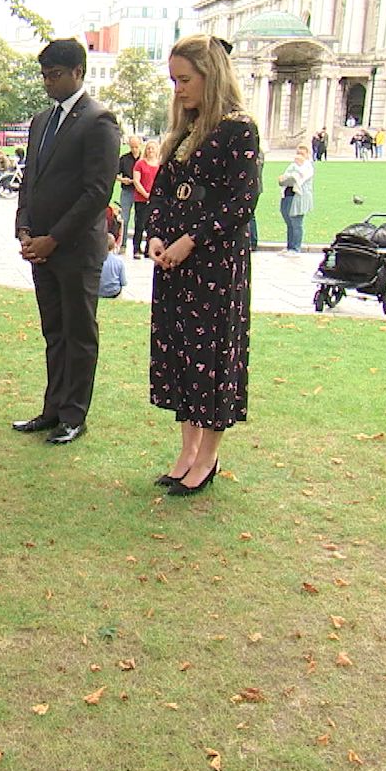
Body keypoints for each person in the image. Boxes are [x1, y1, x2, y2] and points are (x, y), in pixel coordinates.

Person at [146, 34, 260, 497]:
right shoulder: (184, 130)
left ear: (211, 76)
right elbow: (161, 192)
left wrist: (190, 241)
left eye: (185, 79)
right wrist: (156, 235)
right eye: (174, 80)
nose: (178, 89)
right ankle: (187, 451)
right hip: (175, 267)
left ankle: (207, 457)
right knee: (181, 355)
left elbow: (242, 202)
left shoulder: (239, 129)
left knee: (210, 358)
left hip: (214, 267)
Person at [11, 38, 122, 446]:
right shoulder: (41, 121)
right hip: (41, 249)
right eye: (43, 75)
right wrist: (24, 228)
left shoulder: (99, 121)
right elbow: (31, 179)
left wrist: (54, 239)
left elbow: (97, 193)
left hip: (75, 251)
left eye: (55, 75)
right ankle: (53, 409)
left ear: (78, 72)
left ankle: (74, 415)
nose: (48, 83)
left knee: (78, 334)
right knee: (54, 332)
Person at [278, 143, 314, 255]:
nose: (299, 156)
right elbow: (283, 178)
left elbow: (296, 178)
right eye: (298, 153)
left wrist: (289, 177)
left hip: (299, 197)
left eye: (302, 154)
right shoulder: (292, 165)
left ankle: (296, 248)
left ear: (307, 155)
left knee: (296, 223)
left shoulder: (308, 167)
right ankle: (289, 246)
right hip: (288, 195)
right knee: (289, 222)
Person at [130, 140, 159, 258]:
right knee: (140, 224)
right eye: (148, 148)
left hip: (154, 199)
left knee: (152, 224)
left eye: (153, 148)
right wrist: (146, 194)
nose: (150, 150)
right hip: (141, 199)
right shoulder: (140, 164)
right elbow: (136, 181)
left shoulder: (159, 164)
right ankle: (136, 249)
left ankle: (149, 249)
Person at [115, 135, 143, 256]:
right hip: (127, 190)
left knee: (139, 219)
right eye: (132, 147)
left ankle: (137, 247)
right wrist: (122, 180)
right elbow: (115, 174)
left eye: (136, 147)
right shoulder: (124, 159)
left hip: (140, 191)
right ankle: (123, 244)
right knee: (125, 218)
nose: (134, 149)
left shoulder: (143, 159)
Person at [99, 231, 127, 298]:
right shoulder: (119, 261)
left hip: (99, 291)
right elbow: (123, 282)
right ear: (114, 246)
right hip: (114, 291)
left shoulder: (97, 260)